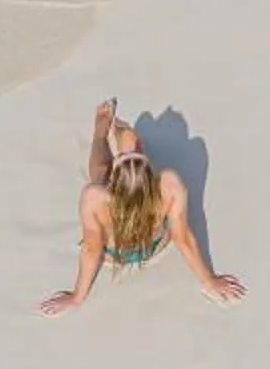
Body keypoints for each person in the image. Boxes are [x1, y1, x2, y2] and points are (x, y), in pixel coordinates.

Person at [41, 99, 245, 312]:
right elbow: (182, 238)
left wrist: (77, 297)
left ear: (115, 180)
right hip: (153, 246)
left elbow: (92, 249)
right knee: (131, 140)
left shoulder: (95, 198)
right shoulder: (169, 184)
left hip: (113, 254)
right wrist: (208, 281)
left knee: (100, 171)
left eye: (122, 158)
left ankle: (101, 131)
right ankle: (122, 133)